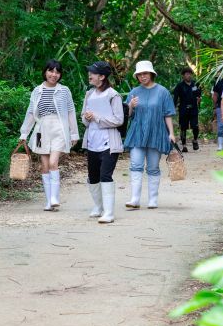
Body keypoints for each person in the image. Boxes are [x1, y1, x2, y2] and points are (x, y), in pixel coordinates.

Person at [19, 60, 80, 211]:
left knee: (53, 163)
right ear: (45, 72)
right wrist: (24, 133)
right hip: (41, 130)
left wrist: (74, 133)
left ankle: (55, 198)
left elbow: (71, 111)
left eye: (57, 72)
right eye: (51, 71)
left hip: (59, 128)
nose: (54, 75)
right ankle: (48, 201)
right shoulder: (37, 91)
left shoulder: (64, 90)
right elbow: (31, 113)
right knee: (44, 166)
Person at [123, 60, 176, 210]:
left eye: (145, 73)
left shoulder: (162, 92)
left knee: (153, 167)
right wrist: (131, 106)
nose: (142, 76)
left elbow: (168, 114)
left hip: (156, 132)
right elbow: (128, 115)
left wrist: (171, 133)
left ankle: (153, 199)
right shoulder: (134, 92)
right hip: (137, 132)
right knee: (135, 165)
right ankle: (135, 199)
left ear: (151, 74)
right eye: (139, 74)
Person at [80, 61, 124, 224]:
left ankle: (109, 213)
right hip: (92, 142)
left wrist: (97, 118)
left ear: (102, 76)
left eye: (93, 73)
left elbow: (119, 120)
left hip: (109, 143)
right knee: (93, 177)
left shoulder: (113, 95)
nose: (89, 75)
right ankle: (98, 207)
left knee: (105, 175)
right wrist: (87, 118)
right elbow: (84, 118)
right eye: (90, 72)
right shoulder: (89, 94)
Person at [172, 67, 202, 152]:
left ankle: (195, 140)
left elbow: (199, 95)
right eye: (187, 74)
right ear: (183, 76)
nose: (189, 76)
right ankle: (184, 146)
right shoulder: (179, 86)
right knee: (183, 128)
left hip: (194, 109)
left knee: (195, 126)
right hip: (183, 109)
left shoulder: (196, 84)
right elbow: (175, 98)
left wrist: (199, 99)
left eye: (190, 74)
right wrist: (172, 108)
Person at [211, 74, 223, 151]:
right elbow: (215, 95)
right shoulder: (218, 82)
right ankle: (220, 145)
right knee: (221, 125)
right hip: (220, 106)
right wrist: (215, 107)